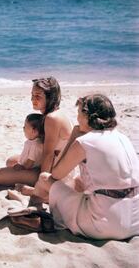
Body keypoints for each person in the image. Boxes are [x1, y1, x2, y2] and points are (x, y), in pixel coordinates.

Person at [26, 94, 139, 239]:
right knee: (78, 181)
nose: (78, 119)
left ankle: (34, 211)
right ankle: (45, 201)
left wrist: (74, 136)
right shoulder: (123, 137)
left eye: (79, 113)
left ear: (88, 116)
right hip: (135, 221)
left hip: (103, 224)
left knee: (44, 178)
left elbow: (56, 174)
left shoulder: (86, 141)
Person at [0, 77, 72, 186]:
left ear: (50, 98)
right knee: (11, 161)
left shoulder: (52, 118)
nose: (32, 99)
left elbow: (48, 154)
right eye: (32, 95)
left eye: (38, 96)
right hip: (51, 163)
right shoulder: (51, 114)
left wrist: (42, 184)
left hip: (56, 171)